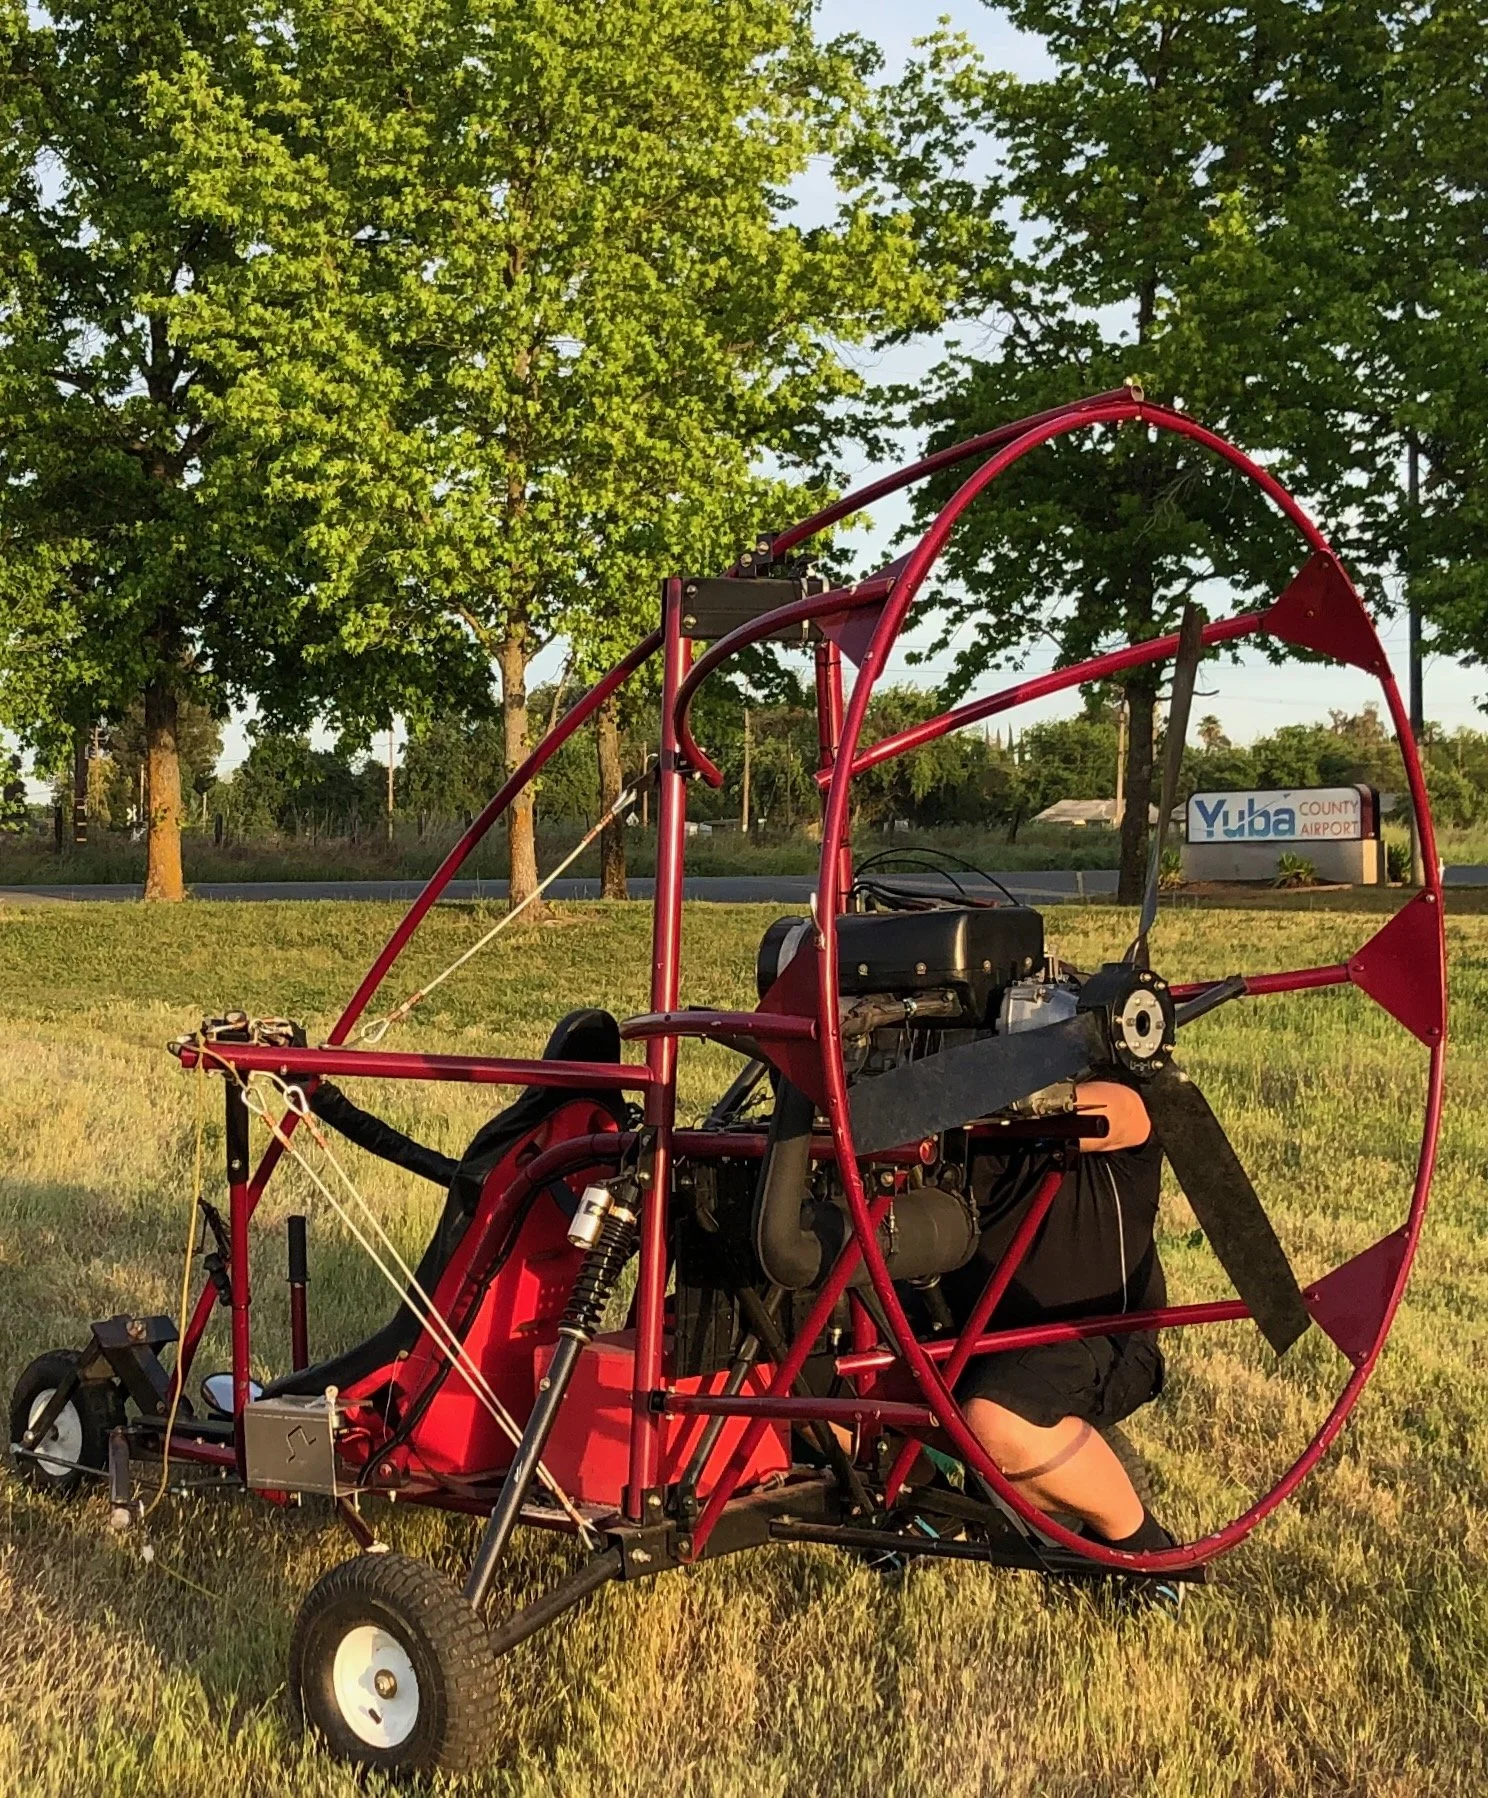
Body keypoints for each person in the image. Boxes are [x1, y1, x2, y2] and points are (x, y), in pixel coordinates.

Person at [940, 1078, 1175, 1560]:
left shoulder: (1114, 1096)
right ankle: (925, 1509)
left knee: (997, 1420)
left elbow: (1121, 1115)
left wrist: (965, 1088)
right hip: (961, 1337)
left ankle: (1146, 1556)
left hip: (1098, 1338)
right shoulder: (939, 1125)